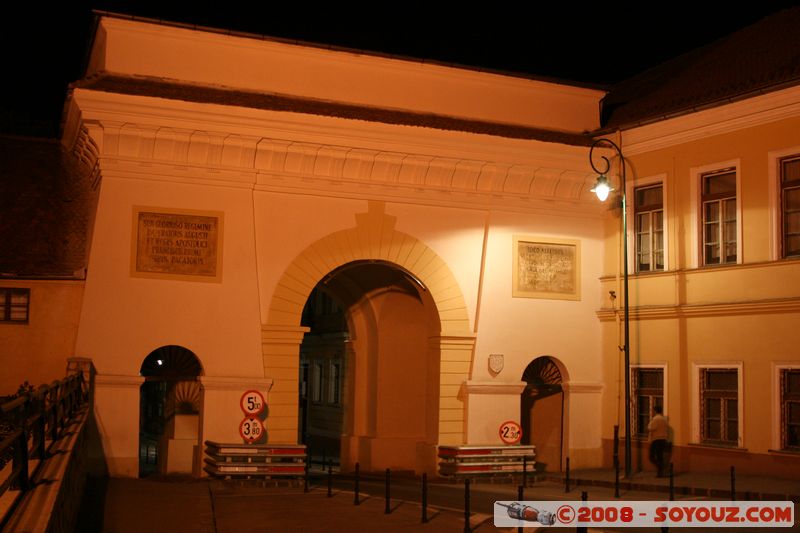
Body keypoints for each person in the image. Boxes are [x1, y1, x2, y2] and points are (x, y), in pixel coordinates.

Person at [647, 405, 670, 477]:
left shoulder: (655, 419)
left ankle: (661, 467)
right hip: (663, 440)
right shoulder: (664, 420)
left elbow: (650, 428)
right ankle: (660, 473)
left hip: (656, 440)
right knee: (660, 456)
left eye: (653, 410)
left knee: (651, 456)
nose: (652, 412)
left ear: (655, 411)